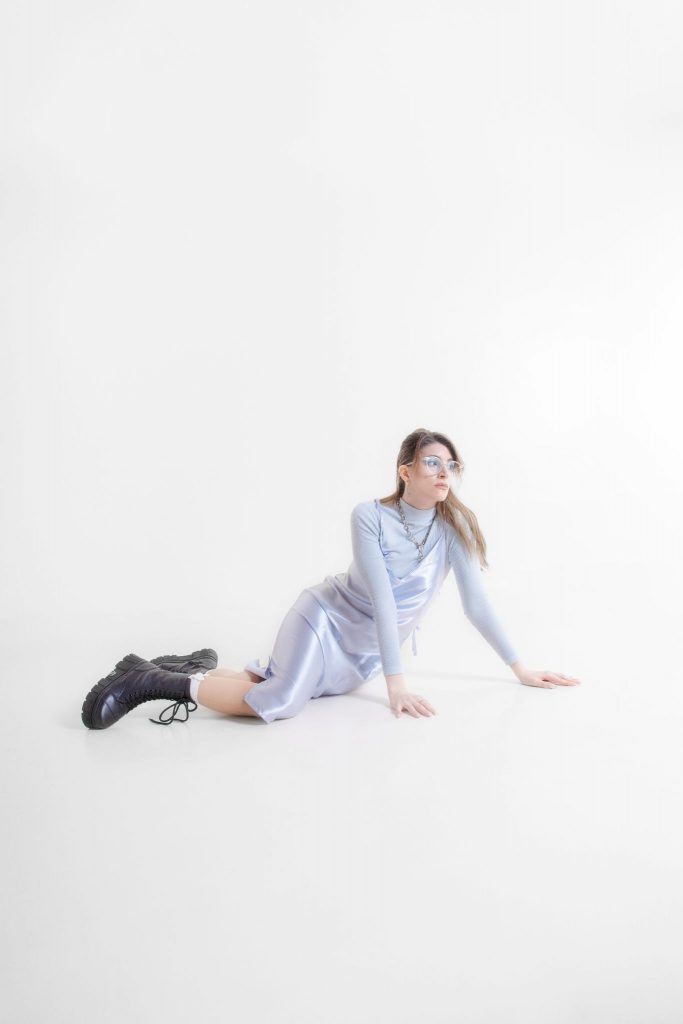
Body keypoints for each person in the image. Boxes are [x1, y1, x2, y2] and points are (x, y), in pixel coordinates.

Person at [80, 427, 580, 729]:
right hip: (325, 619)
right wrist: (397, 687)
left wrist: (520, 669)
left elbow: (476, 605)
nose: (444, 472)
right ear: (405, 471)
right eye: (432, 462)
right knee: (281, 700)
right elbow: (383, 600)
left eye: (451, 464)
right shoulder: (369, 516)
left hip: (363, 652)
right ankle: (149, 680)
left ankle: (190, 668)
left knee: (286, 685)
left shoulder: (455, 528)